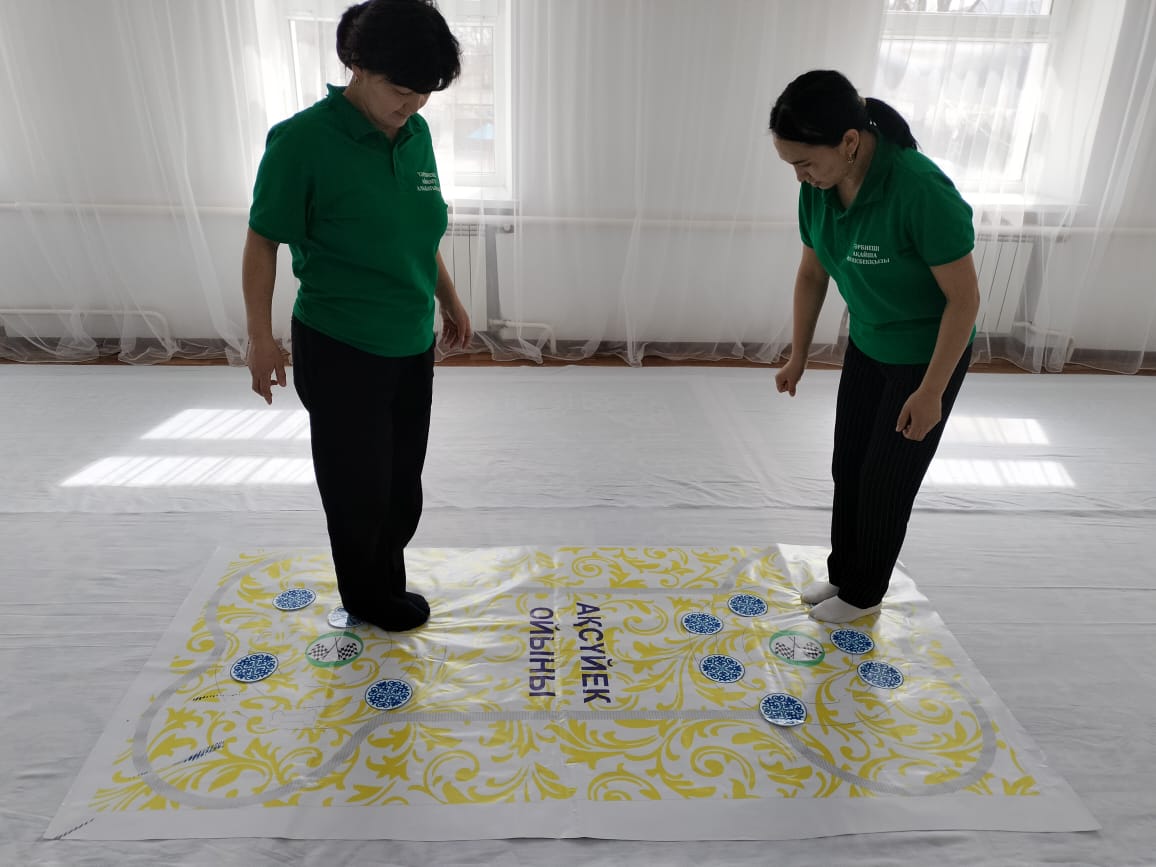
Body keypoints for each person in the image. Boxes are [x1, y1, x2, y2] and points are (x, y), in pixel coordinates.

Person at [242, 0, 471, 632]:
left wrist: (449, 299)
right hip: (341, 343)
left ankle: (385, 581)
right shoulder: (302, 142)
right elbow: (262, 241)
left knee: (401, 481)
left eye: (425, 92)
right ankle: (367, 597)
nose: (413, 104)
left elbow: (416, 231)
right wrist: (260, 339)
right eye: (401, 89)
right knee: (358, 486)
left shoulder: (415, 134)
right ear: (357, 65)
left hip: (410, 340)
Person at [769, 70, 980, 624]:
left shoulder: (920, 190)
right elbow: (812, 274)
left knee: (887, 480)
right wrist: (798, 355)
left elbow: (964, 301)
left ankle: (864, 596)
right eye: (791, 165)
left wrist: (931, 392)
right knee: (849, 466)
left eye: (805, 162)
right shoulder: (818, 190)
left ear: (849, 141)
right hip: (868, 340)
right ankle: (844, 575)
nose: (800, 176)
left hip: (926, 355)